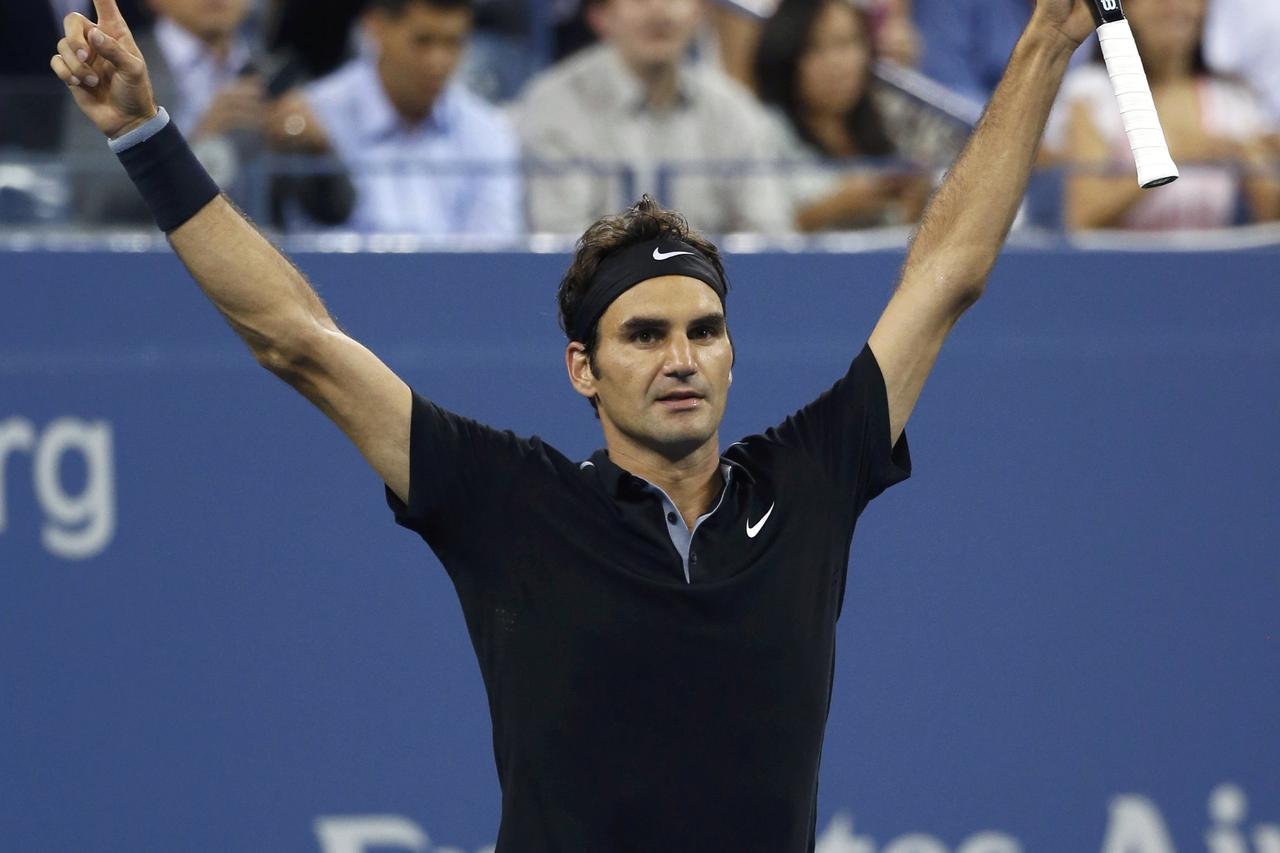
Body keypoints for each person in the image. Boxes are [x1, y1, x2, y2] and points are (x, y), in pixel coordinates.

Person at [52, 0, 1097, 848]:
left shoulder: (809, 477)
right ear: (581, 371)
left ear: (732, 350)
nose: (680, 357)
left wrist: (1049, 32)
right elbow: (298, 340)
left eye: (702, 330)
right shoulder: (509, 498)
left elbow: (947, 270)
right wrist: (147, 136)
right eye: (642, 335)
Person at [512, 0, 793, 235]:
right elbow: (559, 242)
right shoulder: (554, 105)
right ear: (600, 16)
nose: (659, 12)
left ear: (700, 11)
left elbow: (766, 235)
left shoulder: (735, 111)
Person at [266, 0, 522, 237]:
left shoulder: (488, 131)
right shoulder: (314, 118)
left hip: (457, 285)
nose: (438, 61)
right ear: (377, 27)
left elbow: (494, 250)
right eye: (423, 41)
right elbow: (309, 244)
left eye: (452, 43)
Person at [1051, 0, 1280, 230]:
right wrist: (1178, 157)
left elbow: (1271, 215)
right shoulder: (1091, 93)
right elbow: (1083, 217)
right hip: (1119, 262)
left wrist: (1252, 161)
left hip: (1214, 262)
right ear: (1124, 9)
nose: (1174, 7)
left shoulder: (1234, 97)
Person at [754, 0, 930, 231]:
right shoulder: (764, 129)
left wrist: (915, 203)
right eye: (815, 47)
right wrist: (836, 207)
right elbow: (761, 236)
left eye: (847, 43)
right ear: (789, 55)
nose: (836, 63)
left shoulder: (889, 123)